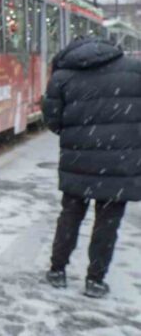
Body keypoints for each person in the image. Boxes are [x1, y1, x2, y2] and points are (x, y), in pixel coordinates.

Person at [42, 36, 141, 298]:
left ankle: (57, 270)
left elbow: (52, 120)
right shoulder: (134, 69)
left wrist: (78, 136)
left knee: (70, 216)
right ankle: (95, 280)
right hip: (119, 163)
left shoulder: (63, 75)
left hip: (78, 161)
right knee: (107, 223)